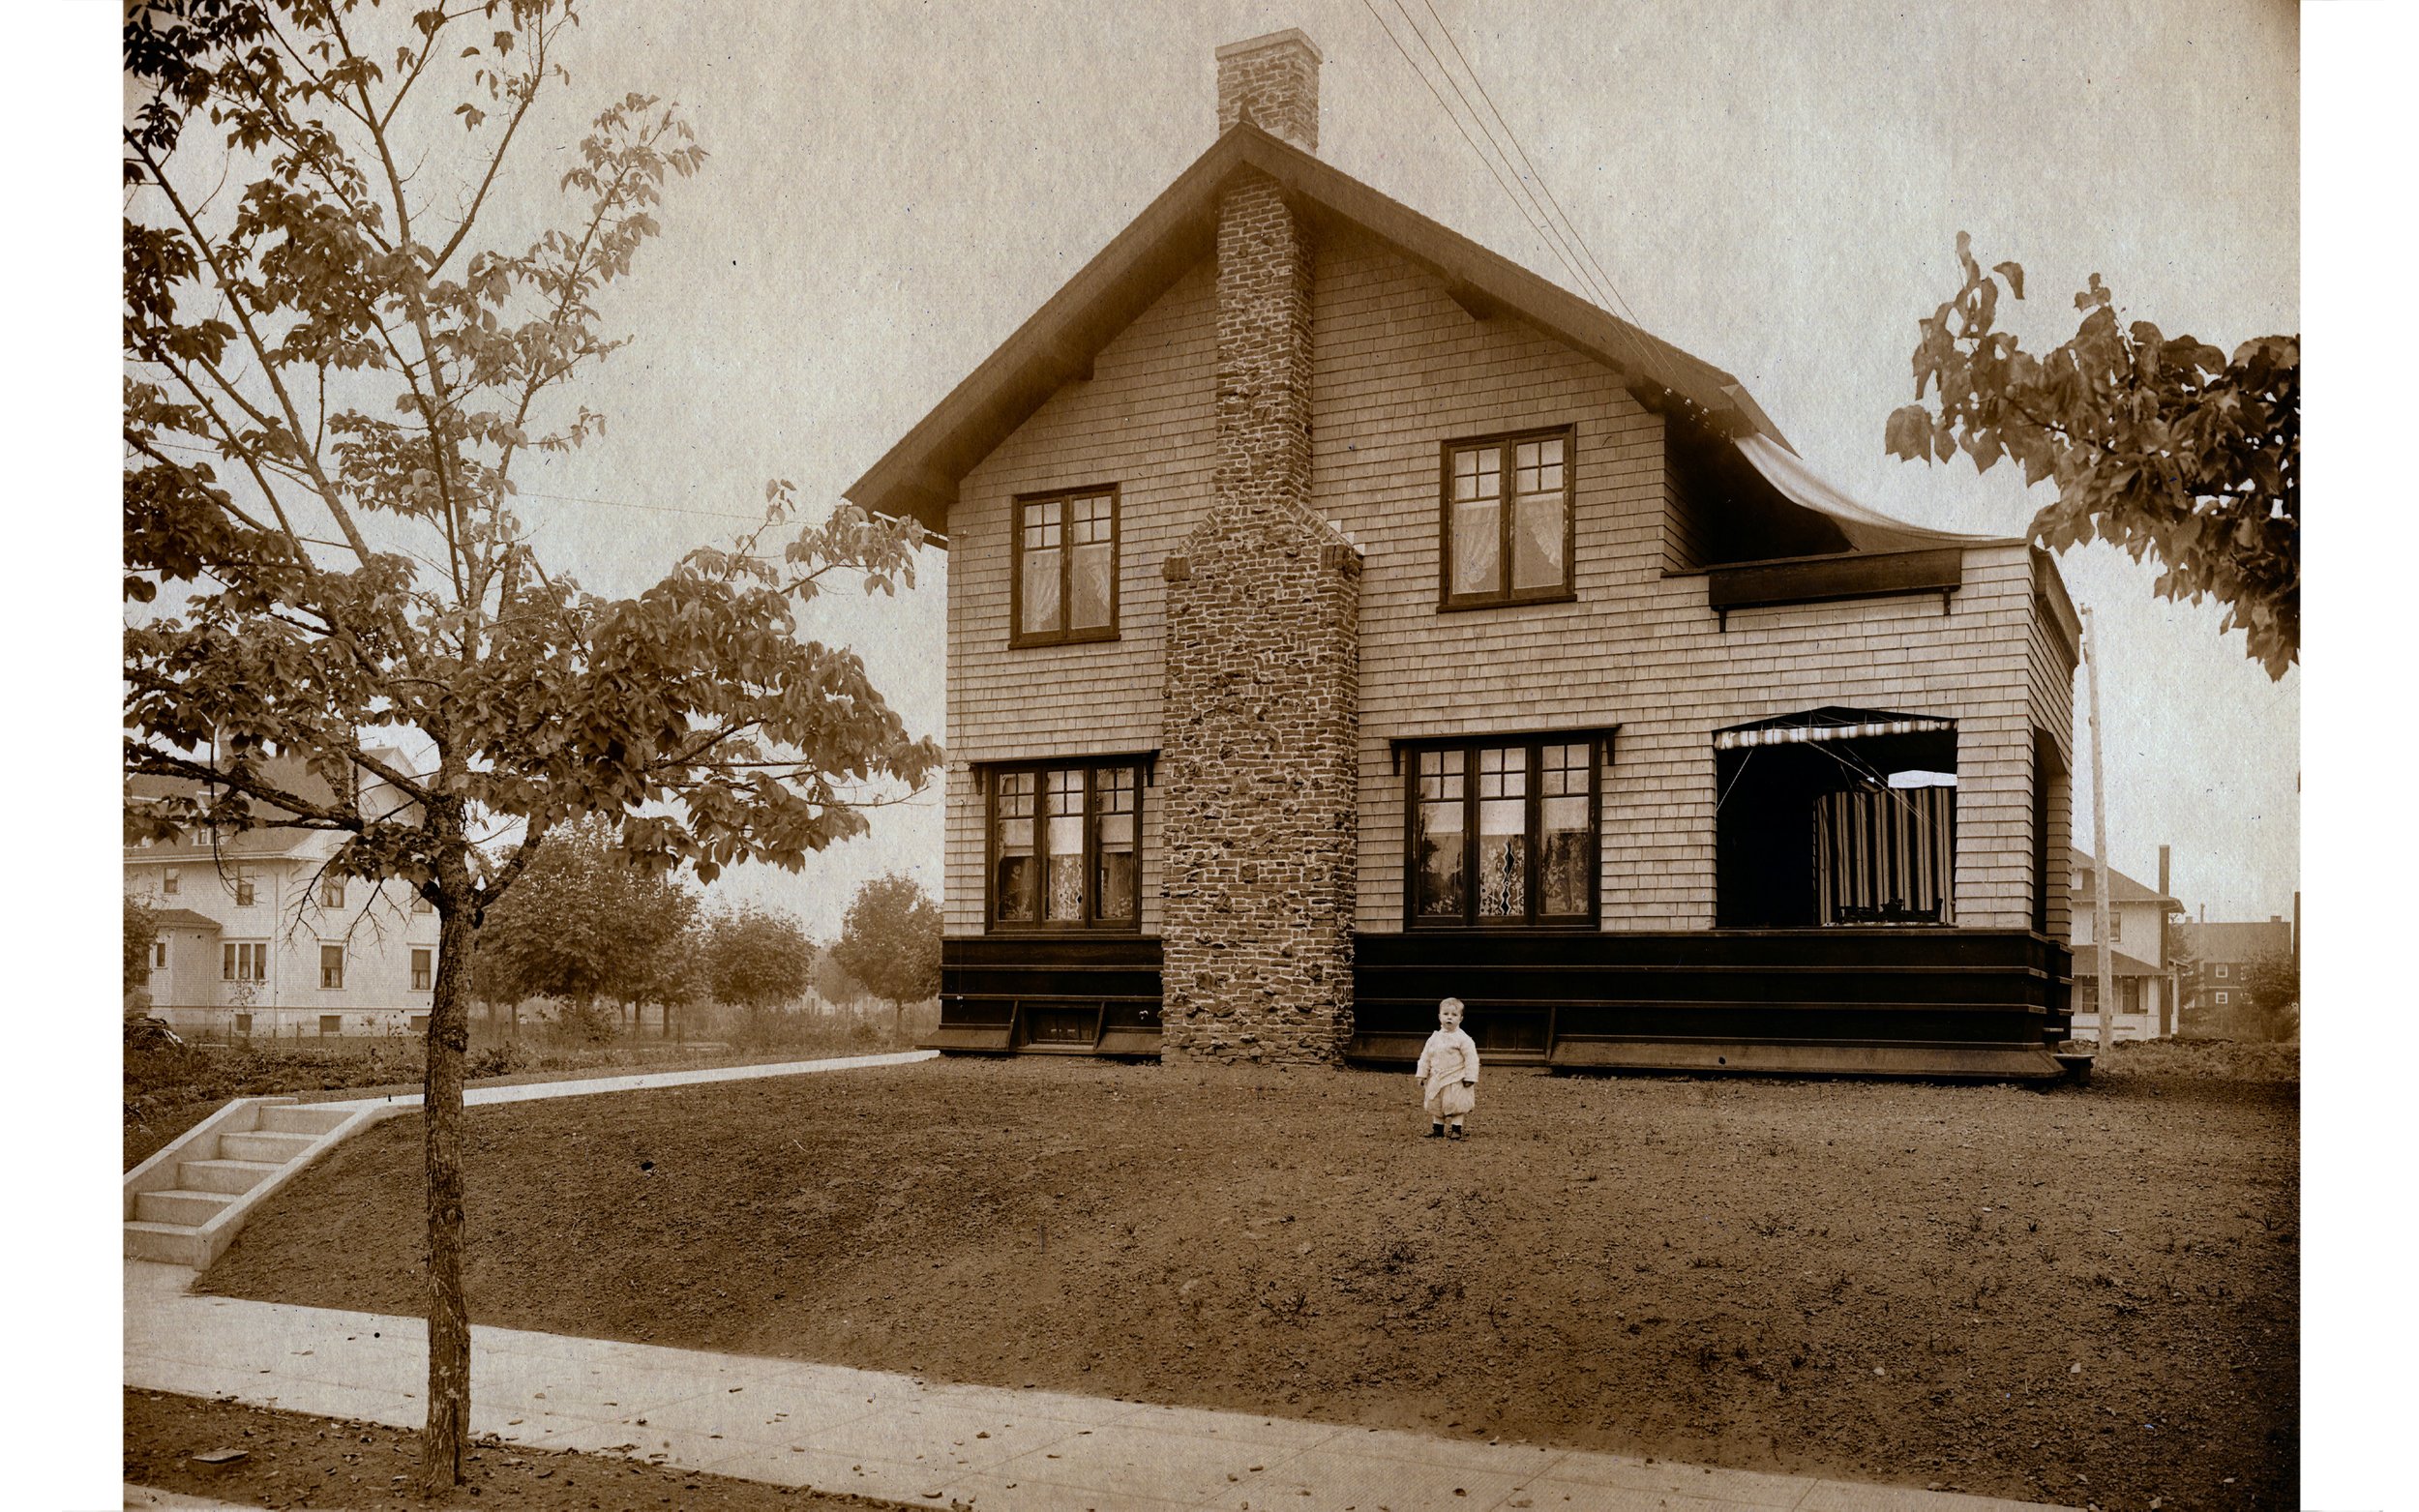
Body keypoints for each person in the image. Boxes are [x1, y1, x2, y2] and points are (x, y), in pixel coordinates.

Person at [1415, 997, 1480, 1140]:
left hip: (1456, 1077)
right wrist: (1422, 1073)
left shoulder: (1464, 1039)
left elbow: (1471, 1059)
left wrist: (1470, 1077)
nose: (1449, 1017)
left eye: (1454, 1015)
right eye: (1446, 1014)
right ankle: (1437, 1128)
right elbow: (1426, 1056)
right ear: (1439, 1016)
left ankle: (1456, 1128)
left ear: (1461, 1019)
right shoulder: (1434, 1038)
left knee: (1456, 1103)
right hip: (1437, 1076)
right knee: (1436, 1102)